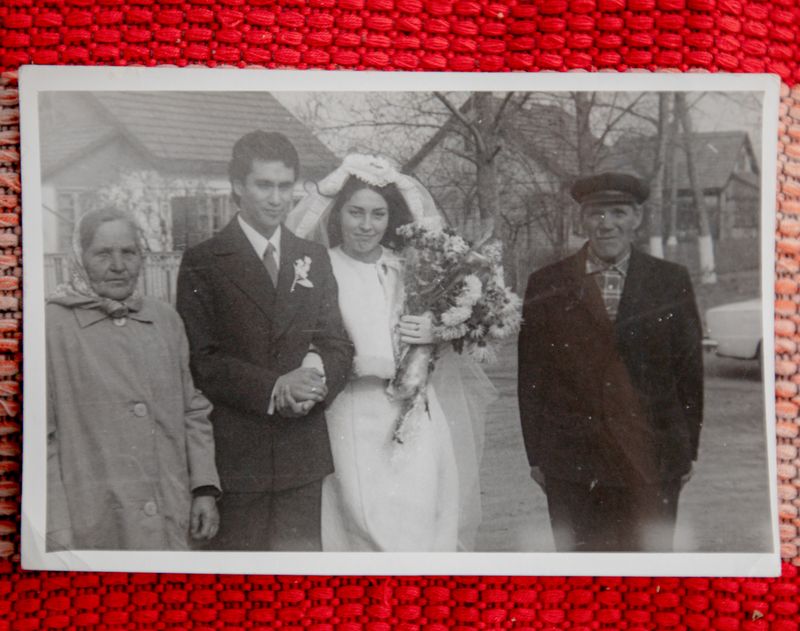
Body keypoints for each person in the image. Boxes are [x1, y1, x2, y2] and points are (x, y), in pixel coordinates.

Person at [286, 154, 492, 551]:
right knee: (365, 524)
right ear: (338, 214)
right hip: (350, 415)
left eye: (377, 214)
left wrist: (438, 331)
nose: (366, 225)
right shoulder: (319, 268)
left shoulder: (409, 268)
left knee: (423, 517)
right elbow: (305, 342)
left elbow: (452, 332)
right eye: (356, 212)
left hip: (413, 417)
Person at [176, 131, 353, 551]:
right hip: (239, 461)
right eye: (264, 185)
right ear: (238, 186)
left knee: (299, 595)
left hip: (302, 457)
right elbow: (201, 360)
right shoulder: (204, 261)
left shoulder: (312, 256)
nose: (277, 199)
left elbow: (337, 344)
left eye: (285, 186)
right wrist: (274, 388)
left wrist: (312, 378)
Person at [517, 172, 704, 552]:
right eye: (596, 214)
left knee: (649, 577)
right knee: (582, 579)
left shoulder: (670, 280)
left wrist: (686, 452)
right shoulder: (546, 283)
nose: (606, 225)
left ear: (636, 219)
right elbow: (532, 378)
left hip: (651, 458)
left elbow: (689, 374)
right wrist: (537, 456)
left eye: (618, 213)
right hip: (572, 463)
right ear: (581, 221)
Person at [46, 208, 221, 551]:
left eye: (129, 252)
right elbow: (42, 440)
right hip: (93, 519)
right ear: (79, 258)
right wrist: (55, 527)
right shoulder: (51, 326)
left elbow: (192, 410)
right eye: (102, 254)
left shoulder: (165, 320)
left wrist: (203, 488)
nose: (118, 265)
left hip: (171, 508)